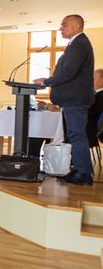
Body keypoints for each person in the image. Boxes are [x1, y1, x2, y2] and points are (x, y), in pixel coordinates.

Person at [34, 14, 95, 185]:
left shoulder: (79, 44)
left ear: (76, 26)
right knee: (74, 135)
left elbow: (68, 72)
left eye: (64, 25)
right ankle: (79, 169)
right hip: (73, 99)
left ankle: (83, 173)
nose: (60, 28)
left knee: (76, 135)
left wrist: (46, 81)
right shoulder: (76, 43)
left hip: (75, 99)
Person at [87, 69, 103, 147]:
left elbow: (88, 111)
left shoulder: (101, 96)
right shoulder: (95, 94)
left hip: (90, 129)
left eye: (93, 78)